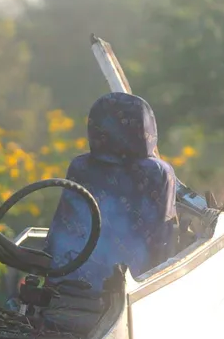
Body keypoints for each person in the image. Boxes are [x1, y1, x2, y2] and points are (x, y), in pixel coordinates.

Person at [45, 92, 179, 292]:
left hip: (67, 290)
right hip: (134, 295)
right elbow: (163, 245)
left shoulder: (81, 167)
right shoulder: (158, 174)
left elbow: (60, 237)